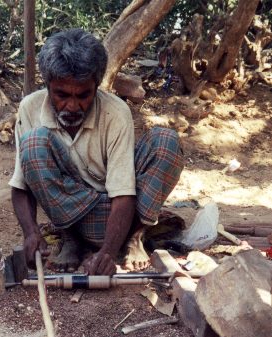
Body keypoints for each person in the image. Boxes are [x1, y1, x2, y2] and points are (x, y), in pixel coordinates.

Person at [9, 28, 184, 276]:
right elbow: (21, 186)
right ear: (47, 85)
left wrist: (108, 254)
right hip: (73, 217)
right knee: (34, 143)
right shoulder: (30, 108)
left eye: (83, 95)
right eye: (61, 94)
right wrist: (31, 232)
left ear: (96, 86)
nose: (71, 105)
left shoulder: (116, 111)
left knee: (166, 140)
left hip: (120, 216)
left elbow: (123, 194)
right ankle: (71, 240)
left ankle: (134, 239)